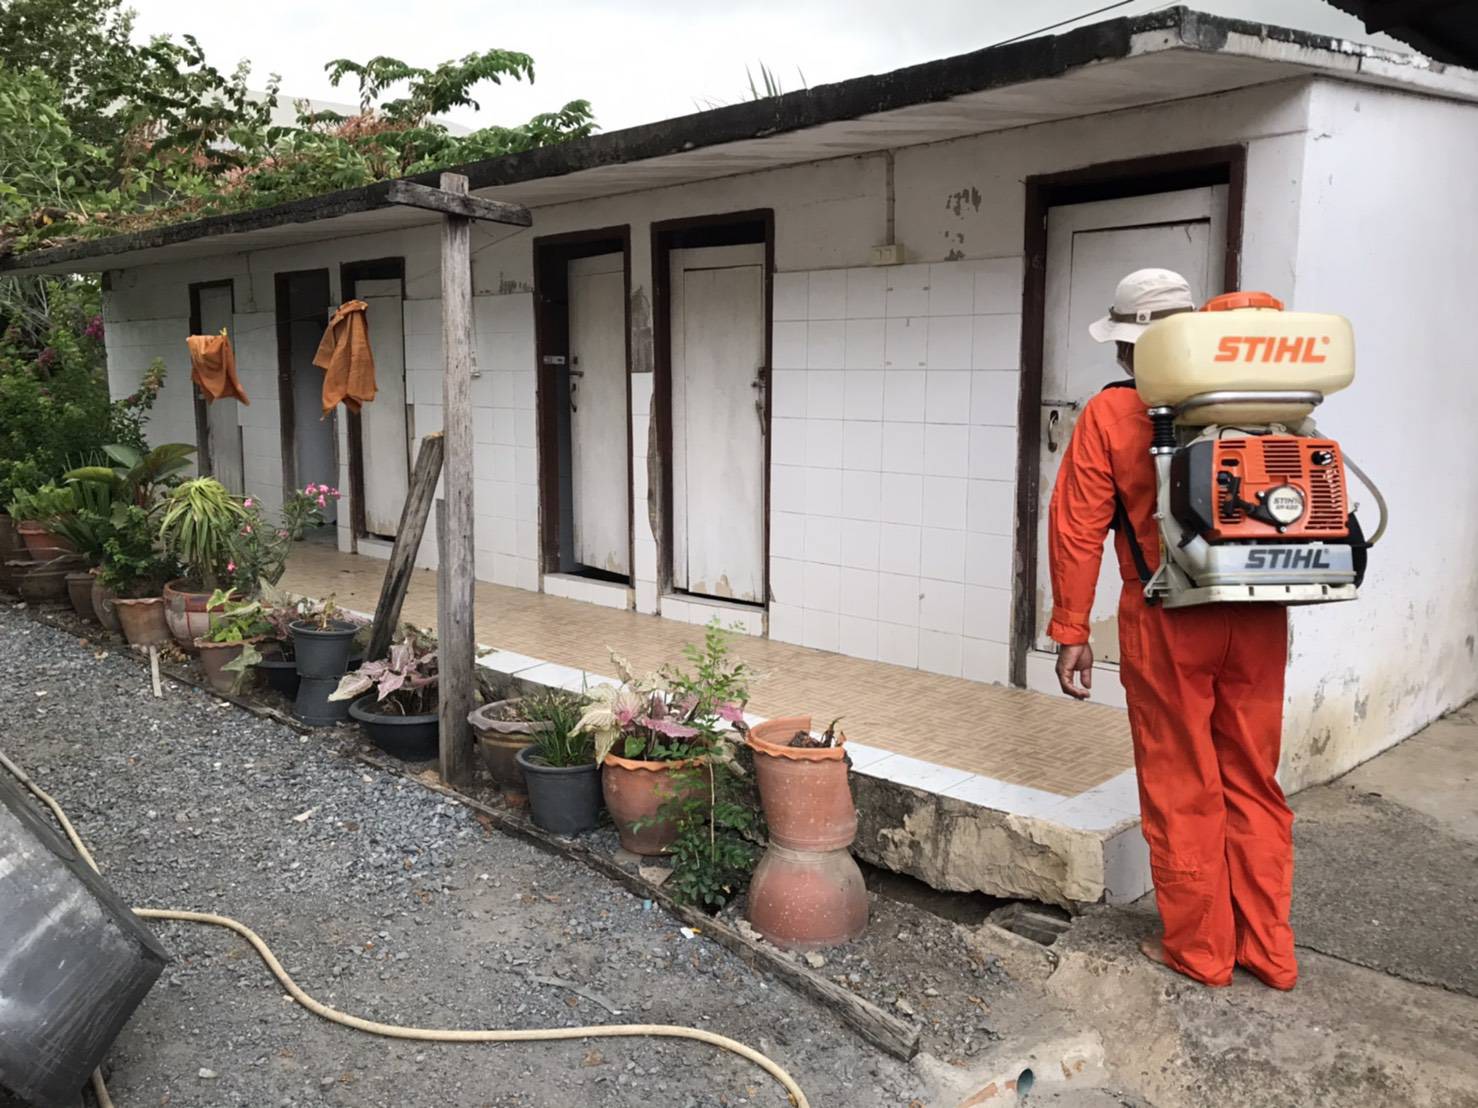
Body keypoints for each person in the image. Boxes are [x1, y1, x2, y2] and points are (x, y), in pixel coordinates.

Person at [1047, 267, 1298, 991]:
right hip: (1258, 610)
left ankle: (1201, 951)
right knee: (1252, 777)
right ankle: (1270, 951)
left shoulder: (1113, 412)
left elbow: (1077, 529)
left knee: (1183, 782)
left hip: (1166, 615)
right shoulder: (1261, 401)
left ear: (1128, 345)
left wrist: (1071, 629)